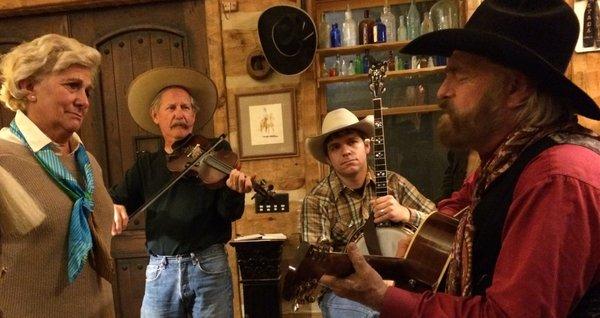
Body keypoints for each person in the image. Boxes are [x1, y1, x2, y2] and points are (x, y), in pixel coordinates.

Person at [320, 0, 600, 317]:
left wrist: (383, 297)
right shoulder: (504, 163)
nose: (442, 91)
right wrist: (421, 243)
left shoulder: (557, 179)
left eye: (459, 75)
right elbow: (462, 205)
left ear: (516, 88)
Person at [109, 66, 252, 318]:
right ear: (156, 116)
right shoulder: (147, 166)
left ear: (194, 117)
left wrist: (234, 190)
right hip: (160, 271)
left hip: (208, 266)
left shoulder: (215, 153)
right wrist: (115, 206)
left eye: (186, 108)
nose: (180, 114)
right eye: (171, 108)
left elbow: (229, 213)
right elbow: (119, 198)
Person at [0, 34, 115, 316]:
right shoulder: (3, 161)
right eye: (72, 86)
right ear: (28, 87)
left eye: (87, 90)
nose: (84, 101)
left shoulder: (87, 161)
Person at [301, 108, 436, 317]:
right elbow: (319, 267)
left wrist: (407, 214)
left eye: (352, 142)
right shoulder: (317, 200)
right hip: (346, 290)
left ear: (367, 146)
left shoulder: (394, 183)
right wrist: (365, 281)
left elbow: (440, 224)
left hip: (403, 282)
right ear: (328, 158)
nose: (345, 151)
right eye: (335, 147)